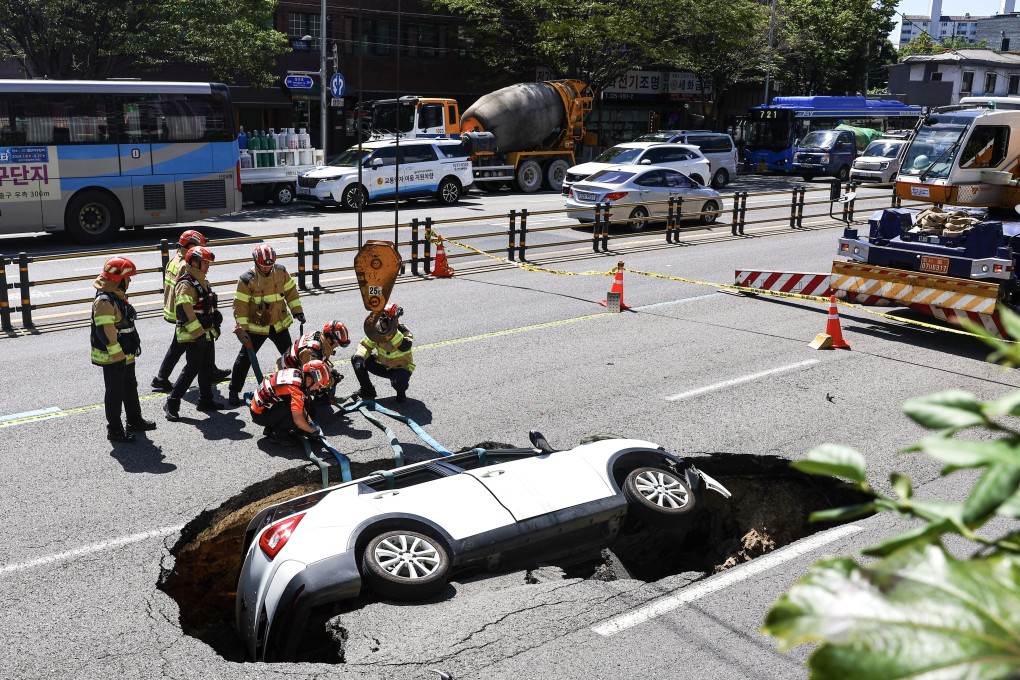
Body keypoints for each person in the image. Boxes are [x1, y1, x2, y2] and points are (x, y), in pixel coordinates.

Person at [152, 229, 231, 391]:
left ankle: (209, 369)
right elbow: (186, 293)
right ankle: (163, 379)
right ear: (191, 245)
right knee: (183, 346)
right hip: (185, 312)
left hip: (173, 308)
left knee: (180, 346)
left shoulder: (174, 260)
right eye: (199, 246)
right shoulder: (185, 265)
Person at [91, 257, 157, 442]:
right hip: (114, 357)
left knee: (129, 388)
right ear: (117, 279)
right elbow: (106, 330)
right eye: (128, 277)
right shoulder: (104, 301)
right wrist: (117, 354)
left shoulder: (116, 296)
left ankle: (134, 421)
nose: (130, 281)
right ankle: (115, 430)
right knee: (115, 393)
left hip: (124, 354)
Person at [228, 244, 304, 406]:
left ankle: (296, 387)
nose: (267, 267)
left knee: (290, 359)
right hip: (257, 328)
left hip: (278, 324)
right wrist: (243, 330)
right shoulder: (246, 279)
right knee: (244, 359)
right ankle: (233, 391)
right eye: (263, 265)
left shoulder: (281, 271)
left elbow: (291, 292)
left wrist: (297, 311)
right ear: (256, 262)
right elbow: (240, 307)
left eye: (270, 264)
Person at [164, 246, 226, 421]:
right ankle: (172, 402)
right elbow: (184, 311)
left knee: (206, 367)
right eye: (205, 262)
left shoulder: (201, 280)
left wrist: (214, 317)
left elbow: (203, 305)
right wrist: (198, 333)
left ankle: (205, 400)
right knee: (192, 369)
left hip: (205, 333)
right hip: (193, 335)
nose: (208, 265)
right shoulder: (186, 283)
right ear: (194, 262)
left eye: (208, 262)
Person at [248, 360, 332, 446]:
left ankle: (270, 428)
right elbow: (298, 419)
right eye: (317, 385)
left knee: (305, 402)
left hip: (261, 407)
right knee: (293, 411)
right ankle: (278, 435)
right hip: (260, 414)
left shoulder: (297, 372)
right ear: (309, 379)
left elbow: (302, 405)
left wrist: (309, 422)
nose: (316, 388)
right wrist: (312, 431)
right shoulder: (296, 391)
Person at [278, 320, 350, 416]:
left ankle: (320, 396)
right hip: (287, 376)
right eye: (337, 343)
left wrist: (329, 372)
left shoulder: (320, 338)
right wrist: (332, 381)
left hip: (298, 366)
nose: (337, 346)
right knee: (309, 413)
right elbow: (312, 378)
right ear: (329, 339)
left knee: (328, 374)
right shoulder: (311, 352)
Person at [351, 303, 414, 403]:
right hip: (384, 366)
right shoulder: (377, 330)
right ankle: (367, 390)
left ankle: (401, 393)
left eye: (385, 318)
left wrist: (391, 332)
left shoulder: (402, 330)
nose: (382, 321)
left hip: (400, 368)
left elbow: (405, 346)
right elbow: (365, 345)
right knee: (356, 358)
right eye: (381, 318)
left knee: (399, 381)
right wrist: (360, 358)